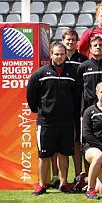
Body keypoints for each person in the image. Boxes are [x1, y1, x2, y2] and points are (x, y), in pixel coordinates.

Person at [27, 41, 78, 195]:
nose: (59, 56)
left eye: (62, 54)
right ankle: (42, 184)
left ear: (65, 55)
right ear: (51, 55)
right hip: (46, 122)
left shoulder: (73, 73)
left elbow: (77, 95)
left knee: (64, 153)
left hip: (67, 122)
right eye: (56, 54)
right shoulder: (40, 74)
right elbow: (31, 96)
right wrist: (42, 111)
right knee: (44, 154)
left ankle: (63, 183)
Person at [61, 29, 88, 190]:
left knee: (79, 141)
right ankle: (60, 177)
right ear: (63, 41)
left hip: (79, 106)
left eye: (73, 40)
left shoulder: (82, 60)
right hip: (62, 108)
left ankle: (80, 175)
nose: (70, 42)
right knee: (63, 143)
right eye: (67, 40)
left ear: (77, 42)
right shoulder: (58, 59)